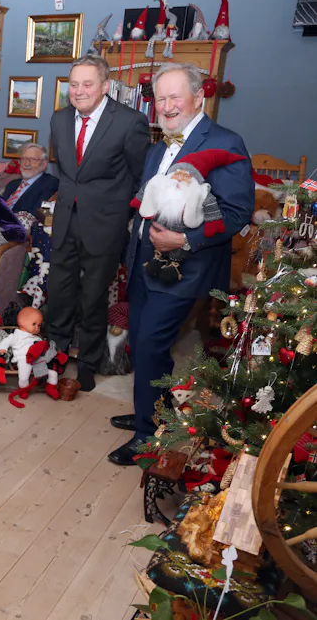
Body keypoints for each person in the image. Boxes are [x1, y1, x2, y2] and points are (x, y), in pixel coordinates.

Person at [107, 63, 253, 465]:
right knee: (142, 342)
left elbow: (237, 212)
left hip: (185, 268)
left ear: (197, 99)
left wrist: (185, 238)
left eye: (176, 97)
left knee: (152, 343)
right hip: (142, 263)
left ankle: (147, 437)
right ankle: (153, 410)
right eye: (160, 98)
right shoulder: (159, 146)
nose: (167, 106)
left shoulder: (226, 142)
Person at [46, 54, 150, 393]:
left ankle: (88, 363)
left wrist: (120, 212)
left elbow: (139, 176)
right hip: (65, 222)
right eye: (73, 84)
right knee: (59, 294)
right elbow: (64, 172)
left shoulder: (129, 122)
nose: (78, 91)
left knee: (92, 298)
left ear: (105, 86)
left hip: (104, 225)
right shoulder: (59, 120)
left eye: (87, 84)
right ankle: (55, 357)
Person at [2, 143, 59, 216]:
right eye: (24, 159)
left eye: (33, 160)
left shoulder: (51, 184)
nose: (26, 164)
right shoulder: (12, 184)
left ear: (44, 164)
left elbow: (37, 215)